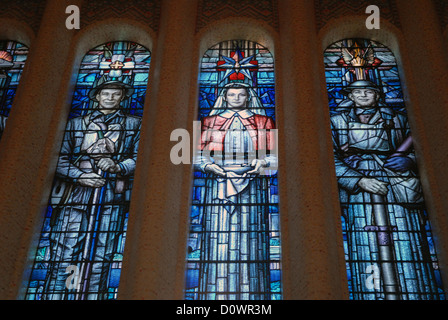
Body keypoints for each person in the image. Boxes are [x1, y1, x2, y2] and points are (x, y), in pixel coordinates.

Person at [330, 80, 441, 299]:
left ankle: (415, 293)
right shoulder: (336, 121)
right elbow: (328, 158)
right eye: (357, 91)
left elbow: (428, 147)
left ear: (378, 95)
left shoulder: (398, 118)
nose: (363, 94)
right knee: (365, 243)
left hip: (397, 186)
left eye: (368, 90)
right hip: (358, 191)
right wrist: (359, 180)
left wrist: (408, 161)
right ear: (350, 96)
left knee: (406, 244)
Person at [43, 78, 141, 300]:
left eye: (116, 94)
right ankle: (57, 296)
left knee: (102, 254)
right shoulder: (76, 124)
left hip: (111, 195)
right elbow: (56, 158)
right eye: (106, 93)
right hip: (74, 196)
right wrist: (80, 176)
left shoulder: (135, 124)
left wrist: (118, 166)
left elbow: (141, 157)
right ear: (96, 96)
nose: (110, 98)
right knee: (65, 252)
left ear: (123, 97)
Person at [194, 82, 277, 300]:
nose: (237, 98)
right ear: (225, 97)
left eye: (242, 94)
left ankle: (255, 295)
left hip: (253, 185)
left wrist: (263, 164)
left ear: (249, 98)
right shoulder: (210, 122)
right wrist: (209, 166)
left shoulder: (263, 122)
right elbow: (196, 155)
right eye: (232, 94)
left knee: (251, 238)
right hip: (218, 183)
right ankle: (214, 294)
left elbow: (275, 154)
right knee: (217, 238)